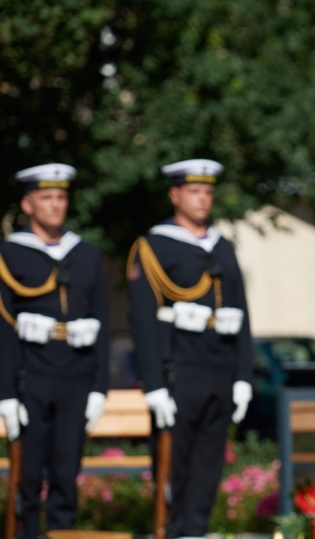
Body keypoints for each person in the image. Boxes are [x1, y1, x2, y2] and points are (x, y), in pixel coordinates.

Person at [127, 159, 253, 539]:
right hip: (178, 370)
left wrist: (244, 376)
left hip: (220, 367)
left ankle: (196, 531)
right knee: (174, 466)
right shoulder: (153, 247)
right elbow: (144, 321)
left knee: (208, 464)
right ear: (175, 194)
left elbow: (241, 313)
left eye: (208, 192)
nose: (203, 199)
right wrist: (153, 384)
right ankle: (172, 530)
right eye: (195, 192)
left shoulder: (223, 245)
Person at [0, 163, 110, 539]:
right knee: (27, 477)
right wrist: (6, 393)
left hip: (75, 374)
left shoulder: (86, 253)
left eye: (61, 197)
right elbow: (3, 328)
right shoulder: (10, 255)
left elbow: (103, 321)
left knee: (66, 474)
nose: (55, 205)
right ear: (28, 204)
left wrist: (99, 386)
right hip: (31, 374)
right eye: (45, 197)